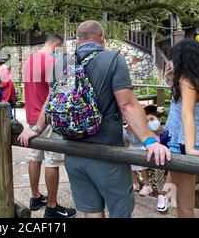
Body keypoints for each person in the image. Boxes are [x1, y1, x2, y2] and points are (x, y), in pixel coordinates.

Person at [18, 20, 171, 218]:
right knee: (120, 211)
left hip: (73, 152)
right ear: (102, 39)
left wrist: (36, 129)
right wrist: (149, 140)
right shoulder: (114, 59)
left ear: (78, 40)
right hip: (107, 153)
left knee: (91, 211)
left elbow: (51, 100)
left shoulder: (62, 63)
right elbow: (127, 104)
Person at [162, 38, 199, 218]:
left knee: (184, 207)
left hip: (183, 145)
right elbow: (185, 106)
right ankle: (163, 200)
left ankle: (163, 201)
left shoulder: (187, 80)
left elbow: (187, 113)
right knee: (177, 201)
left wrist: (189, 148)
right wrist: (171, 80)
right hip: (183, 143)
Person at [22, 34, 77, 218]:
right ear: (57, 45)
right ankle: (52, 207)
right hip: (46, 119)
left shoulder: (29, 60)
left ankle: (35, 196)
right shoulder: (52, 62)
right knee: (52, 161)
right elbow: (55, 93)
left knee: (35, 157)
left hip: (31, 115)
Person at [123, 121, 153, 197]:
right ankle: (135, 183)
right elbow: (126, 143)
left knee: (142, 168)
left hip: (141, 148)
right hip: (131, 149)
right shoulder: (124, 132)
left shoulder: (138, 130)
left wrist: (133, 130)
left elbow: (143, 140)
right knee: (132, 168)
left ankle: (147, 185)